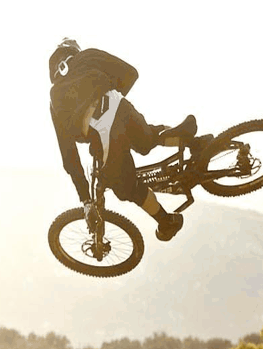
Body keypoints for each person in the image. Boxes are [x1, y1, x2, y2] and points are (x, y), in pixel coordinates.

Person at [48, 38, 206, 241]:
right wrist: (109, 96)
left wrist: (86, 200)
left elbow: (69, 155)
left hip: (101, 128)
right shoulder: (88, 56)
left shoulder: (54, 96)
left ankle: (167, 222)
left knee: (124, 187)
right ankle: (195, 142)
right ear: (74, 52)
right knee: (145, 140)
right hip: (118, 104)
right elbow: (130, 74)